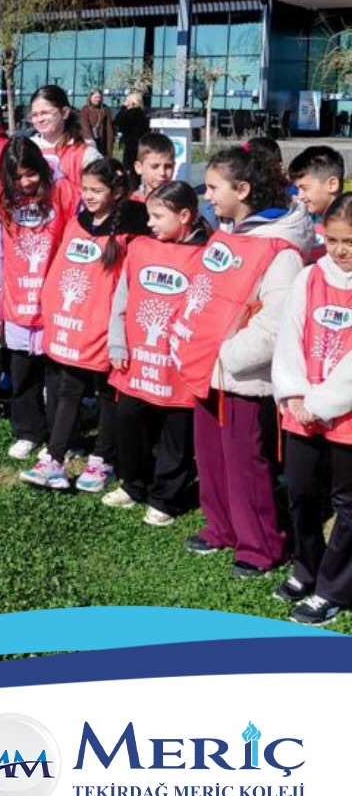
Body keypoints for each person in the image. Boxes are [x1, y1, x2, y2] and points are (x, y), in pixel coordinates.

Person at [182, 146, 312, 575]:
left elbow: (276, 325)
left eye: (215, 188)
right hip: (208, 369)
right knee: (212, 458)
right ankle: (221, 527)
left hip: (242, 377)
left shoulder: (281, 250)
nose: (209, 195)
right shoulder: (231, 233)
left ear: (243, 189)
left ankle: (260, 547)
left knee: (245, 467)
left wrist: (228, 354)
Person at [28, 157, 148, 491]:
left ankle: (101, 460)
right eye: (85, 189)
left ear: (117, 191)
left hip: (109, 329)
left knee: (108, 393)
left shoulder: (132, 229)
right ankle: (54, 456)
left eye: (97, 190)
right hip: (76, 323)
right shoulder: (78, 222)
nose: (89, 196)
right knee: (68, 389)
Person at [105, 181, 209, 525]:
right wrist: (117, 341)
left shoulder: (206, 255)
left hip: (178, 365)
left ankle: (166, 497)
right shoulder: (140, 248)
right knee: (127, 419)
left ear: (185, 216)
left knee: (176, 433)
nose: (149, 223)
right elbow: (122, 297)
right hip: (137, 358)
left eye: (157, 216)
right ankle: (134, 484)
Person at [272, 192, 352, 624]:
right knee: (301, 493)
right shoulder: (310, 277)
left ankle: (333, 587)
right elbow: (290, 337)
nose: (340, 250)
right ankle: (308, 567)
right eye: (334, 239)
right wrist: (295, 393)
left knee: (348, 506)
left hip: (344, 417)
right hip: (303, 410)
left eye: (351, 242)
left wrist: (321, 403)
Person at [0, 136, 73, 453]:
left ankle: (59, 435)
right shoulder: (0, 195)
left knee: (57, 376)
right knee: (21, 372)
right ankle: (28, 431)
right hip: (17, 297)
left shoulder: (65, 192)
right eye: (16, 176)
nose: (25, 182)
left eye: (30, 174)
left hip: (54, 298)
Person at [27, 85, 100, 210]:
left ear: (65, 112)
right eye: (34, 115)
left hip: (72, 223)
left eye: (45, 113)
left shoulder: (85, 153)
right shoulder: (26, 148)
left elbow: (100, 193)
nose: (39, 119)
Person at [288, 145, 345, 257]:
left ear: (332, 185)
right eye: (297, 189)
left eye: (305, 188)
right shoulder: (308, 221)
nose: (300, 196)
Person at [132, 132, 176, 201]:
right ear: (139, 168)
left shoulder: (180, 204)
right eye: (155, 166)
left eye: (168, 166)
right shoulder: (132, 203)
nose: (162, 173)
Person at [113, 92, 150, 175]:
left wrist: (123, 108)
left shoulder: (130, 113)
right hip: (140, 143)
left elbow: (117, 121)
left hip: (130, 143)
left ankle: (131, 185)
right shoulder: (143, 114)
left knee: (129, 168)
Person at [79, 89, 115, 157]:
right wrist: (90, 141)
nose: (98, 99)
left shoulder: (105, 109)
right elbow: (85, 126)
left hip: (103, 141)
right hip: (90, 140)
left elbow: (109, 127)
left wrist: (110, 142)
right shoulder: (85, 110)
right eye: (95, 97)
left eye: (99, 97)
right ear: (90, 97)